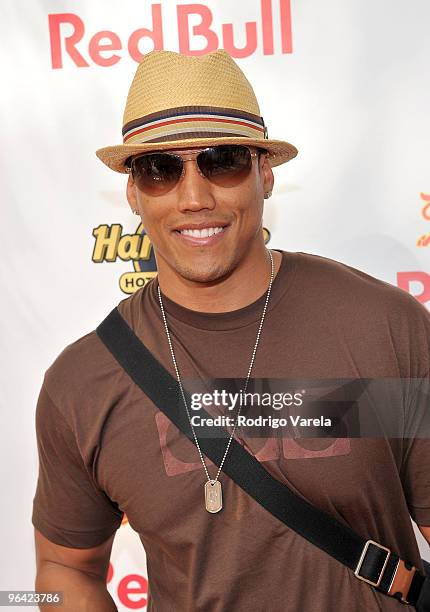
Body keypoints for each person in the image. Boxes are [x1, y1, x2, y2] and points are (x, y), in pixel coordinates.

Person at [32, 49, 430, 611]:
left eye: (222, 162)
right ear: (133, 192)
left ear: (265, 174)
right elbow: (62, 567)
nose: (194, 198)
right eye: (160, 169)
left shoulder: (384, 327)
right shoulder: (84, 382)